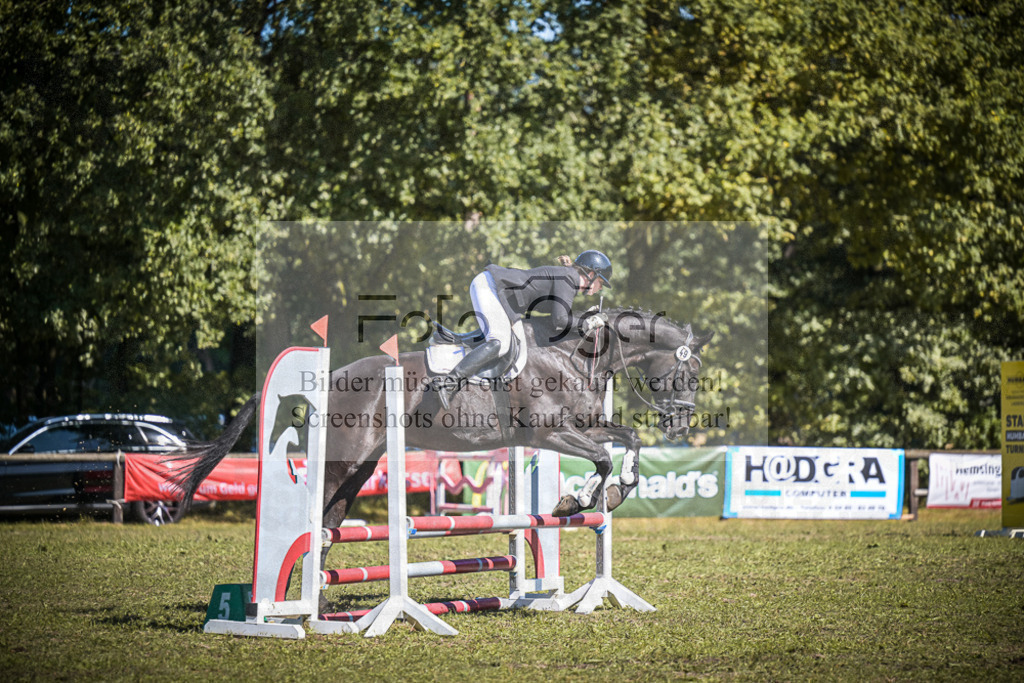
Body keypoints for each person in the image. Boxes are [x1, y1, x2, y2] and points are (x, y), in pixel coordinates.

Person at [437, 250, 613, 410]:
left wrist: (584, 320)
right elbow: (560, 320)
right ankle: (448, 382)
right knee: (501, 343)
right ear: (591, 275)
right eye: (600, 282)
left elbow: (556, 321)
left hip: (500, 295)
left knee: (513, 340)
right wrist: (588, 324)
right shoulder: (568, 278)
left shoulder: (568, 279)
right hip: (490, 287)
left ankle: (451, 339)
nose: (600, 288)